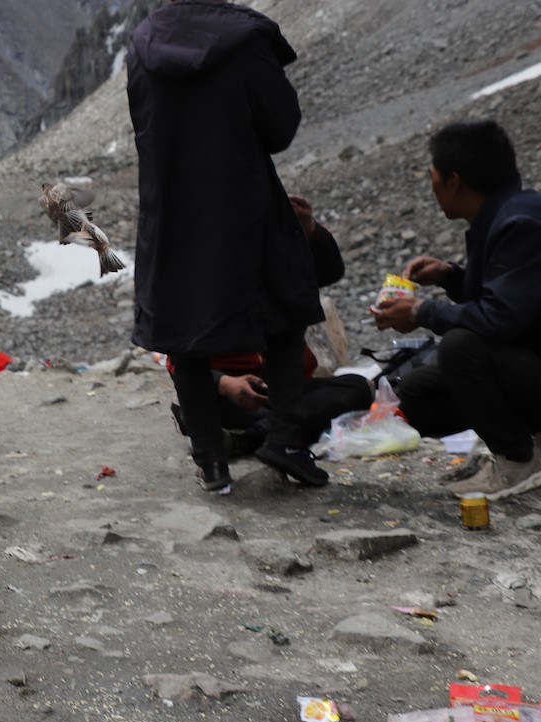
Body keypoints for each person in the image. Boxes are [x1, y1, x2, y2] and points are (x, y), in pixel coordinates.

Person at [127, 0, 328, 492]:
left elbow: (145, 126)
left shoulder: (142, 46)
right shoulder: (245, 42)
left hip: (171, 210)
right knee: (285, 308)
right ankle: (284, 441)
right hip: (243, 203)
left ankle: (210, 461)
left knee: (183, 327)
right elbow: (280, 127)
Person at [373, 119, 541, 499]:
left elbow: (498, 319)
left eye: (432, 175)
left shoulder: (519, 223)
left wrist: (420, 312)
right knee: (417, 392)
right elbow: (513, 302)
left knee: (459, 348)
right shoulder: (506, 212)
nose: (431, 185)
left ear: (453, 181)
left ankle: (518, 461)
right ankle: (529, 438)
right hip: (530, 358)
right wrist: (450, 276)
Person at [170, 196, 374, 456]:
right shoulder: (200, 285)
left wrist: (308, 228)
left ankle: (248, 439)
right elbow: (177, 363)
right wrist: (226, 383)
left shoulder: (272, 269)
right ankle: (274, 432)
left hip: (276, 389)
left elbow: (328, 272)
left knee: (358, 389)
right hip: (229, 393)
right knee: (212, 407)